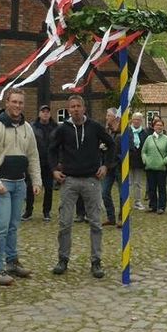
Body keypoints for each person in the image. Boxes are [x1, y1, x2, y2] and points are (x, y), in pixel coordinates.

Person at [0, 88, 42, 286]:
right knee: (2, 226)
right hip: (1, 184)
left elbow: (33, 155)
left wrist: (36, 180)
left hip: (19, 183)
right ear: (7, 102)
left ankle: (12, 262)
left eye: (21, 103)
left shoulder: (27, 128)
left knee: (14, 226)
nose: (17, 106)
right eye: (14, 101)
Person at [49, 95, 115, 278]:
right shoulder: (63, 129)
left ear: (84, 108)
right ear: (69, 109)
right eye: (72, 107)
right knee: (64, 223)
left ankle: (96, 261)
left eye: (79, 106)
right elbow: (51, 149)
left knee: (95, 222)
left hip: (91, 180)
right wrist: (54, 169)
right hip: (69, 180)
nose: (76, 109)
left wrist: (106, 165)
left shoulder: (95, 127)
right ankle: (63, 259)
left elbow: (111, 144)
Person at [31, 104, 58, 222]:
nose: (45, 113)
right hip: (36, 160)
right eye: (43, 111)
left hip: (50, 162)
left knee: (49, 188)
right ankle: (28, 210)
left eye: (47, 111)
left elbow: (59, 145)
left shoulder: (56, 127)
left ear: (50, 114)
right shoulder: (32, 127)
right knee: (30, 187)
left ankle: (46, 211)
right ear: (39, 113)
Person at [142, 118, 167, 214]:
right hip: (150, 168)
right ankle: (153, 206)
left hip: (161, 168)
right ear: (153, 127)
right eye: (157, 125)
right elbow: (143, 151)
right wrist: (145, 160)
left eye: (160, 125)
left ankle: (161, 207)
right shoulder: (148, 138)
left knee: (161, 188)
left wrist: (164, 161)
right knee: (151, 188)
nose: (159, 127)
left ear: (163, 127)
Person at [100, 108, 123, 227]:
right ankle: (111, 217)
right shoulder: (107, 131)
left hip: (119, 166)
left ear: (115, 117)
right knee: (104, 192)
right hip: (108, 166)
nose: (106, 117)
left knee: (122, 193)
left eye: (108, 115)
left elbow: (129, 148)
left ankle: (122, 218)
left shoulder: (123, 131)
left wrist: (118, 157)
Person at [128, 112, 149, 210]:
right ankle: (126, 202)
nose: (136, 121)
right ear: (132, 120)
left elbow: (147, 147)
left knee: (138, 183)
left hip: (139, 162)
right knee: (128, 183)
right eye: (134, 119)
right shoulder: (127, 131)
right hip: (128, 161)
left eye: (138, 119)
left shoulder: (144, 133)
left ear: (141, 121)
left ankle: (137, 202)